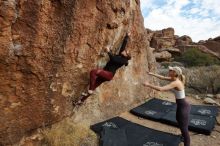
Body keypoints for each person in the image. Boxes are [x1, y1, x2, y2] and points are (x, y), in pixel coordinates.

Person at [143, 66, 191, 146]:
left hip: (183, 106)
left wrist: (148, 85)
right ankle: (184, 136)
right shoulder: (174, 79)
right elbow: (162, 77)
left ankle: (187, 143)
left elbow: (161, 89)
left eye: (171, 70)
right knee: (178, 120)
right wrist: (151, 73)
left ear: (175, 73)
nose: (169, 71)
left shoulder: (175, 82)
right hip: (181, 105)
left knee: (184, 128)